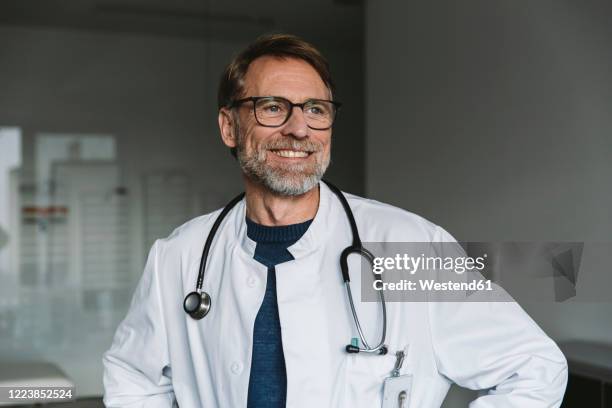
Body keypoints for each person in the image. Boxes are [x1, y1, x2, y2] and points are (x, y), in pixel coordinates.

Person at [103, 34, 567, 407]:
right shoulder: (180, 256)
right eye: (272, 107)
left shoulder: (407, 247)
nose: (298, 128)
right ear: (230, 126)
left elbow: (533, 367)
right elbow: (132, 378)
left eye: (315, 110)